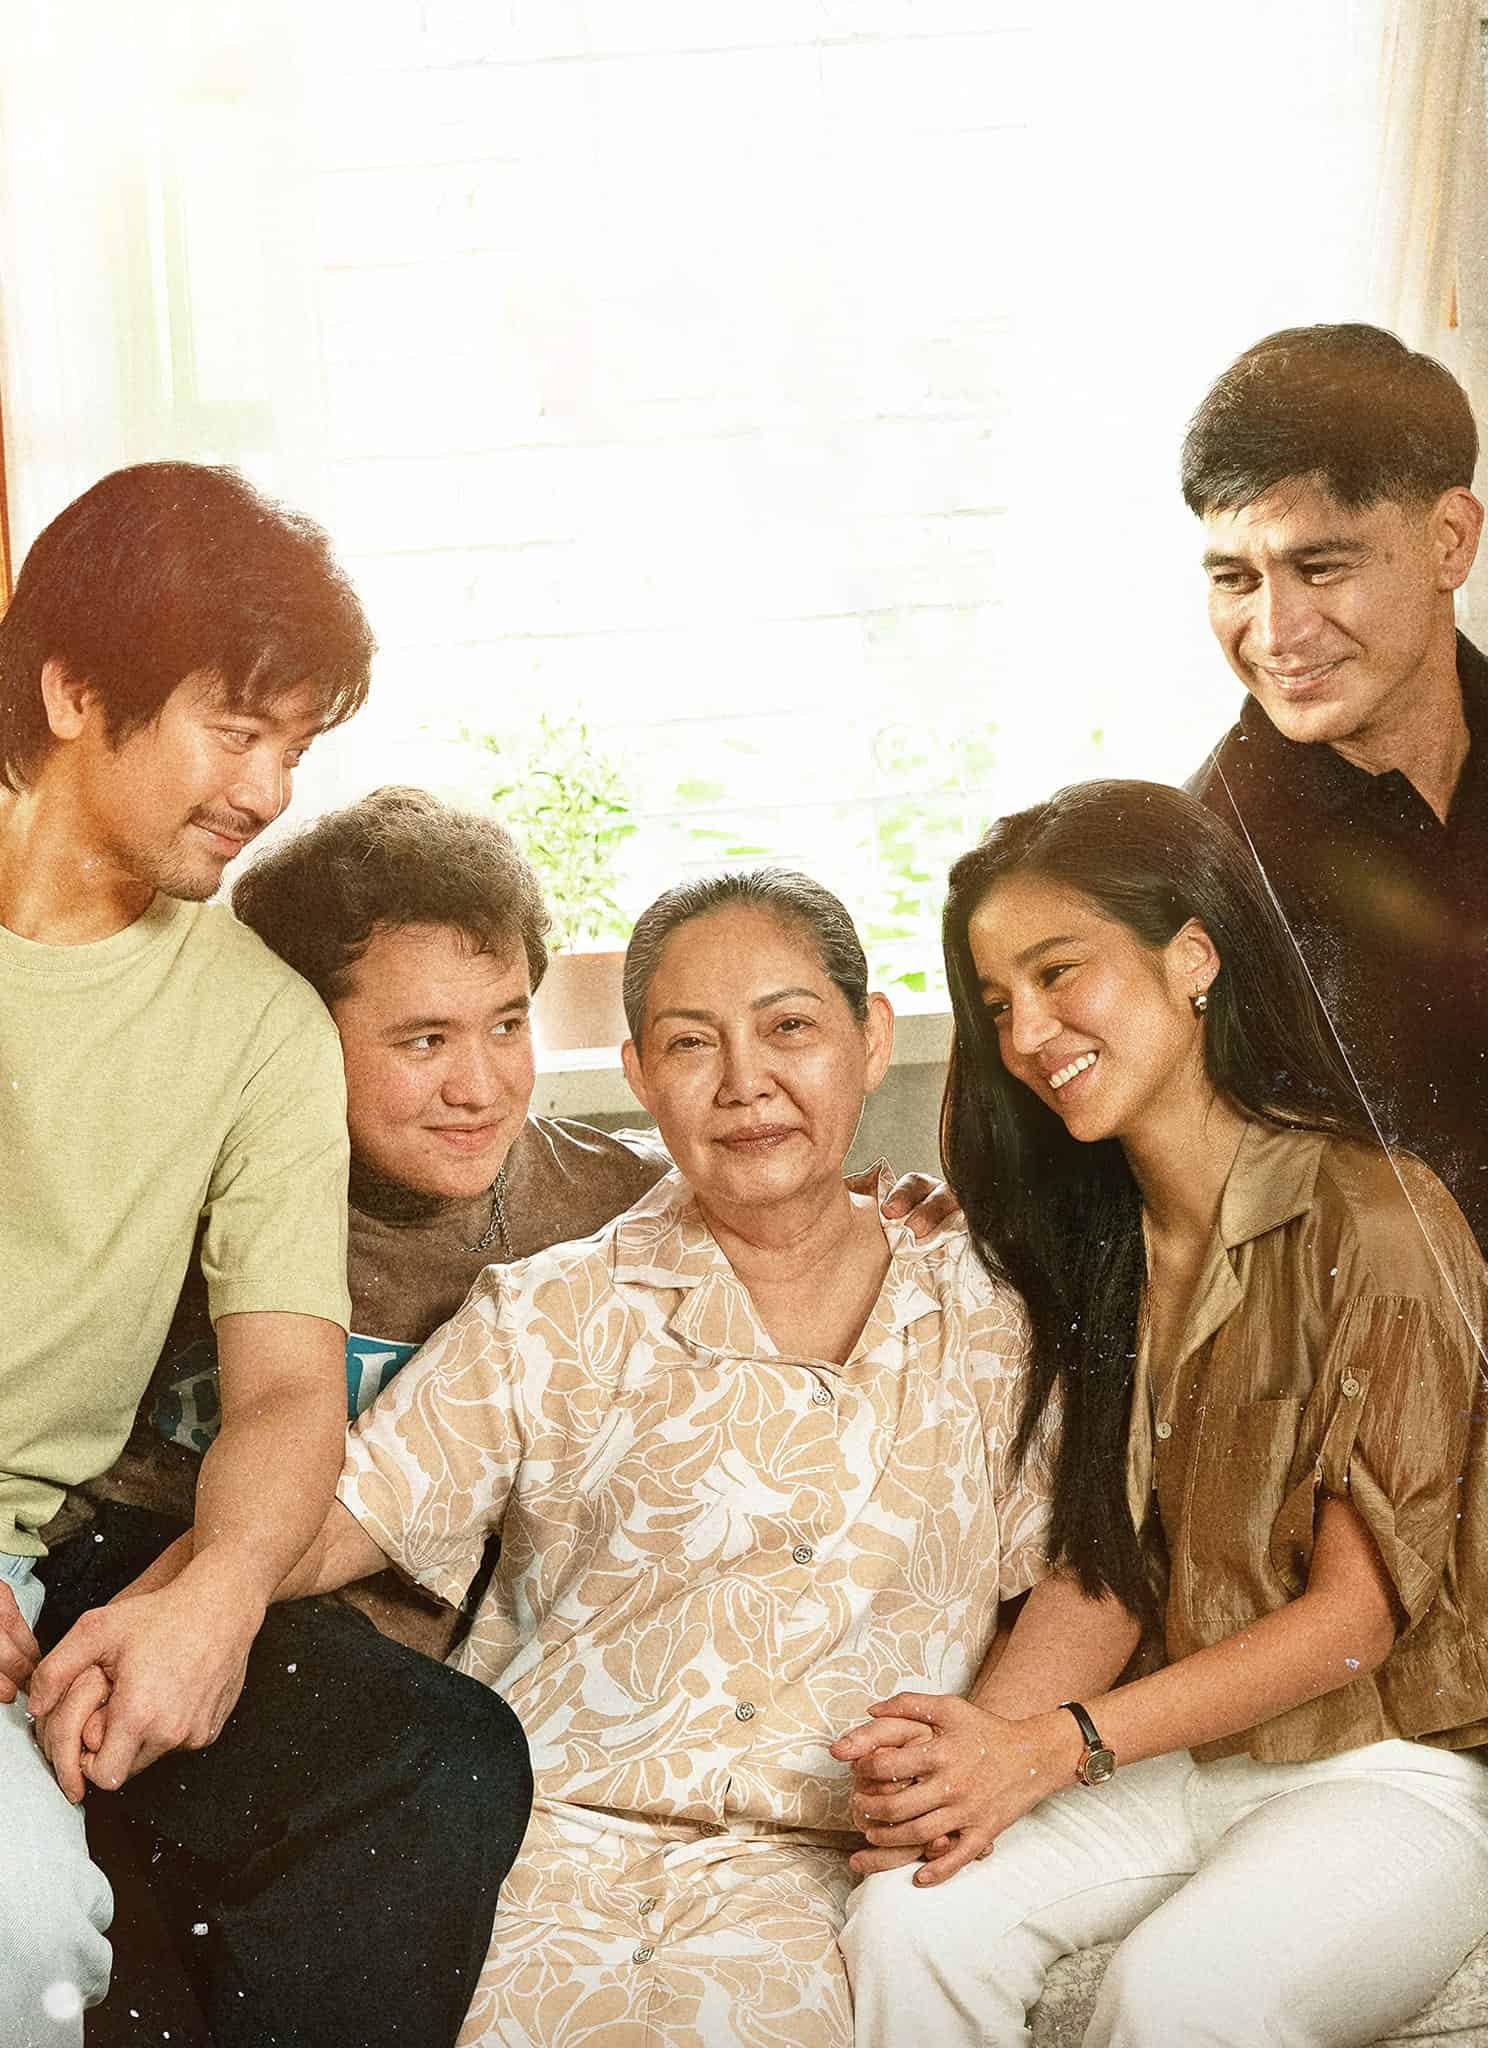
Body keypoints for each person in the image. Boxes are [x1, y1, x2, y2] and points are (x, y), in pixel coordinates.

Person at [34, 790, 956, 2034]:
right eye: (422, 1039)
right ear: (297, 1029)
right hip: (169, 1583)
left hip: (402, 1686)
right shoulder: (215, 1183)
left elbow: (771, 1198)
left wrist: (893, 1203)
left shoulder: (611, 1203)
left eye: (509, 1023)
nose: (478, 1086)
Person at [836, 780, 1488, 2048]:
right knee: (908, 1917)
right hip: (1177, 1764)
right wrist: (975, 1759)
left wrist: (1051, 1747)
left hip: (1385, 1768)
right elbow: (1106, 1573)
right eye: (996, 1002)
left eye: (1058, 971)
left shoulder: (1376, 1215)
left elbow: (1352, 1623)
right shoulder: (1086, 1244)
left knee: (1182, 1990)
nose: (1029, 1032)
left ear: (1193, 955)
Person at [0, 465, 521, 2048]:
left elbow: (291, 1389)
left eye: (297, 747)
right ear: (74, 693)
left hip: (41, 1555)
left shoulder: (258, 1024)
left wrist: (220, 1598)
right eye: (238, 731)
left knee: (436, 1753)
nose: (272, 790)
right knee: (23, 1930)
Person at [1183, 323, 1488, 1247]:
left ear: (1450, 540)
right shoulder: (1193, 868)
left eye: (1320, 568)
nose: (1276, 633)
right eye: (1235, 579)